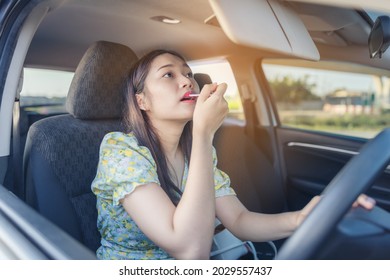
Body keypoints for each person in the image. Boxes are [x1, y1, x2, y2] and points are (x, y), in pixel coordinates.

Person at [91, 49, 375, 260]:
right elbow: (190, 251)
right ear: (142, 101)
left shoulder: (196, 154)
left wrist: (305, 218)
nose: (187, 82)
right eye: (169, 74)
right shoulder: (120, 150)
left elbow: (239, 220)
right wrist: (203, 133)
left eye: (189, 74)